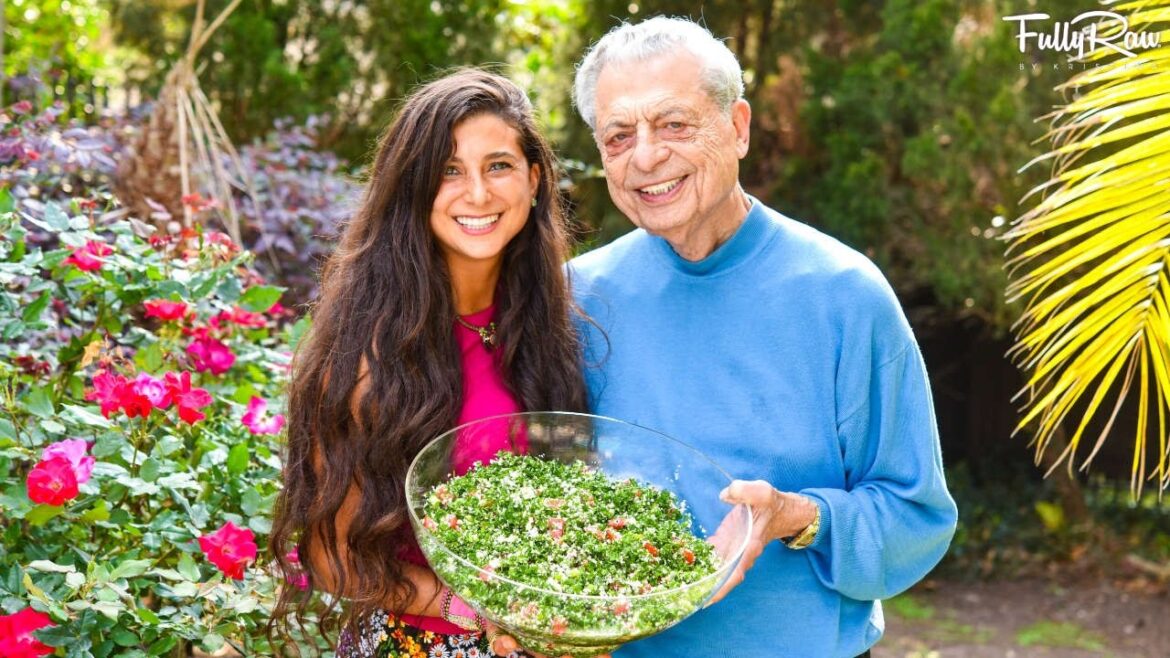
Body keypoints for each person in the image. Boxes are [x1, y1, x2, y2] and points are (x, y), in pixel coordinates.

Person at [566, 16, 959, 658]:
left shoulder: (844, 294)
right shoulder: (575, 297)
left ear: (739, 127)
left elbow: (915, 519)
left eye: (673, 125)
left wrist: (796, 516)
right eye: (618, 136)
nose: (645, 156)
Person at [267, 69, 591, 658]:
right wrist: (460, 607)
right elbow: (328, 556)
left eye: (498, 165)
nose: (477, 194)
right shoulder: (368, 353)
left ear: (535, 180)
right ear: (412, 188)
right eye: (448, 171)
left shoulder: (547, 321)